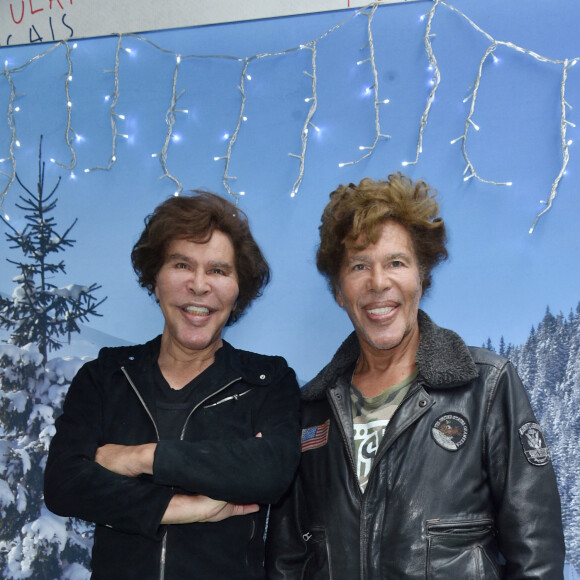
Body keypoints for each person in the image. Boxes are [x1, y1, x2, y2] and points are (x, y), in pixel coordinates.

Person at [265, 174, 565, 579]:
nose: (378, 282)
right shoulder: (311, 411)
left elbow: (537, 557)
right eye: (358, 265)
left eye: (396, 262)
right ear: (339, 290)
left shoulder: (486, 387)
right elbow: (287, 561)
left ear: (421, 278)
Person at [44, 191, 301, 579]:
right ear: (156, 278)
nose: (199, 286)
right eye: (182, 264)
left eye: (218, 270)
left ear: (238, 289)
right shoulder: (106, 375)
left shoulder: (267, 381)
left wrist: (139, 458)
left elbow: (269, 472)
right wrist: (178, 508)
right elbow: (65, 484)